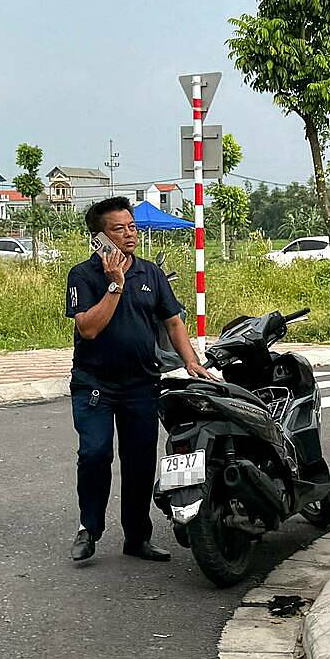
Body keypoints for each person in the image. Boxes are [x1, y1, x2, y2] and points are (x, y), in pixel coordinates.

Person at [66, 196, 213, 564]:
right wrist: (114, 285)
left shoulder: (151, 274)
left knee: (140, 462)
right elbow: (88, 328)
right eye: (119, 229)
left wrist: (191, 361)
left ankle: (137, 536)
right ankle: (89, 529)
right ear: (99, 237)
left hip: (141, 384)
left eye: (131, 227)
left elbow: (173, 321)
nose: (130, 234)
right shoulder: (82, 276)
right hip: (94, 384)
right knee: (94, 453)